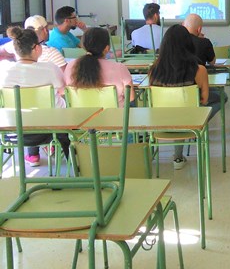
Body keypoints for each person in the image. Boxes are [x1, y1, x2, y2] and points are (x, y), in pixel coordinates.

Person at [0, 27, 70, 167]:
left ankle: (32, 155)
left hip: (12, 133)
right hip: (50, 132)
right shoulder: (50, 69)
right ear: (37, 48)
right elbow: (64, 91)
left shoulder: (3, 71)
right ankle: (72, 160)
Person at [148, 24, 212, 170]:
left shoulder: (153, 70)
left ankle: (155, 156)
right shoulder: (199, 70)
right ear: (188, 43)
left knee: (174, 111)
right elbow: (205, 100)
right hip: (190, 123)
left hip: (159, 123)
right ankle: (179, 155)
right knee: (191, 109)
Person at [63, 27, 134, 107]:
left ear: (84, 46)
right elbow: (130, 98)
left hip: (81, 118)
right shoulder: (120, 68)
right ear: (107, 48)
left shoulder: (70, 67)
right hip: (114, 118)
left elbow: (64, 93)